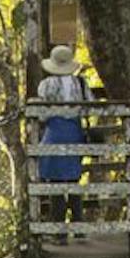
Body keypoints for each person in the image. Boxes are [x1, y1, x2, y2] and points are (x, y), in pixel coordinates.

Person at [35, 42, 90, 225]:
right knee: (73, 179)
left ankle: (58, 230)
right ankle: (79, 225)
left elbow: (41, 115)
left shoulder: (46, 85)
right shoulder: (81, 84)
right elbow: (91, 105)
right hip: (75, 131)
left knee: (55, 181)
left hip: (55, 131)